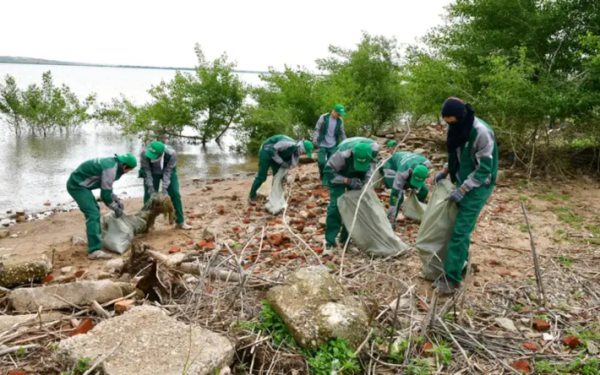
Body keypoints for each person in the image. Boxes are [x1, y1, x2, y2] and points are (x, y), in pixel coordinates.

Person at [433, 97, 498, 294]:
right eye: (446, 122)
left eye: (451, 121)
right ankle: (462, 263)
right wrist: (445, 171)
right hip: (461, 180)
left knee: (460, 231)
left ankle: (451, 279)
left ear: (461, 116)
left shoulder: (481, 133)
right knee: (457, 226)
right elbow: (455, 152)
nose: (449, 125)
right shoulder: (455, 127)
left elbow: (484, 170)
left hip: (479, 185)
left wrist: (463, 189)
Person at [67, 154, 137, 260]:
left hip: (82, 185)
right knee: (93, 213)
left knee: (95, 210)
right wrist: (115, 208)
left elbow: (106, 186)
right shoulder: (111, 169)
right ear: (124, 166)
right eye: (129, 170)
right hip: (77, 186)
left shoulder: (112, 164)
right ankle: (94, 250)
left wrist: (116, 199)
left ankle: (96, 241)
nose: (127, 172)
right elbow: (104, 195)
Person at [323, 137, 380, 250]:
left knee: (355, 206)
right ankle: (329, 242)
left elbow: (371, 167)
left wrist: (367, 183)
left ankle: (345, 241)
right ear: (353, 153)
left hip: (359, 173)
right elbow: (329, 172)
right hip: (339, 172)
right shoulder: (340, 154)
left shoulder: (374, 149)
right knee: (335, 206)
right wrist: (347, 180)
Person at [248, 135, 314, 206]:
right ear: (302, 148)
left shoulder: (295, 151)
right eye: (304, 152)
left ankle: (273, 197)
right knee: (262, 176)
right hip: (266, 152)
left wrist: (285, 176)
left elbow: (289, 164)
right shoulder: (288, 144)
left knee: (277, 177)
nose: (303, 154)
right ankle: (252, 196)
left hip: (276, 156)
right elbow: (272, 151)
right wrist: (281, 162)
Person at [139, 141, 191, 230]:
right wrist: (150, 186)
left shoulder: (171, 154)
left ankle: (180, 222)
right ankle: (148, 223)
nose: (152, 158)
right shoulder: (144, 153)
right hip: (151, 172)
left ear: (161, 154)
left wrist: (164, 188)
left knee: (175, 193)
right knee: (148, 195)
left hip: (168, 171)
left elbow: (168, 172)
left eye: (154, 156)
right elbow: (146, 170)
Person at [383, 152, 432, 227]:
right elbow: (395, 195)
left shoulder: (427, 164)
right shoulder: (403, 172)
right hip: (392, 168)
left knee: (424, 191)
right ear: (412, 171)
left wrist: (416, 187)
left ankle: (414, 212)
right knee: (400, 197)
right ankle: (391, 217)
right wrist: (391, 219)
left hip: (409, 167)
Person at [313, 104, 347, 181]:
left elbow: (342, 133)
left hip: (333, 145)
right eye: (338, 114)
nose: (339, 116)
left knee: (331, 164)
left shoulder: (340, 121)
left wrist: (346, 142)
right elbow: (317, 129)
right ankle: (322, 174)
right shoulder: (324, 117)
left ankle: (328, 179)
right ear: (334, 111)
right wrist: (315, 138)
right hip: (322, 143)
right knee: (321, 162)